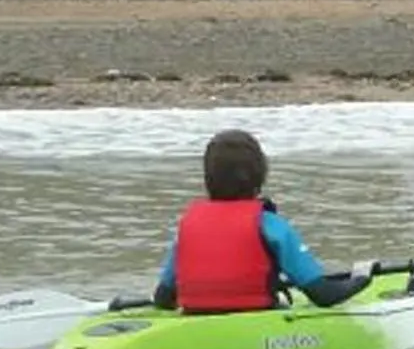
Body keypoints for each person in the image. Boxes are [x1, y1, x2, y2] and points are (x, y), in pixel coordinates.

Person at [145, 129, 373, 313]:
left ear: (208, 178)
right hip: (256, 327)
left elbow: (163, 299)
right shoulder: (270, 225)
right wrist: (362, 279)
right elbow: (324, 296)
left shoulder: (187, 227)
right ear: (259, 175)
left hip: (193, 323)